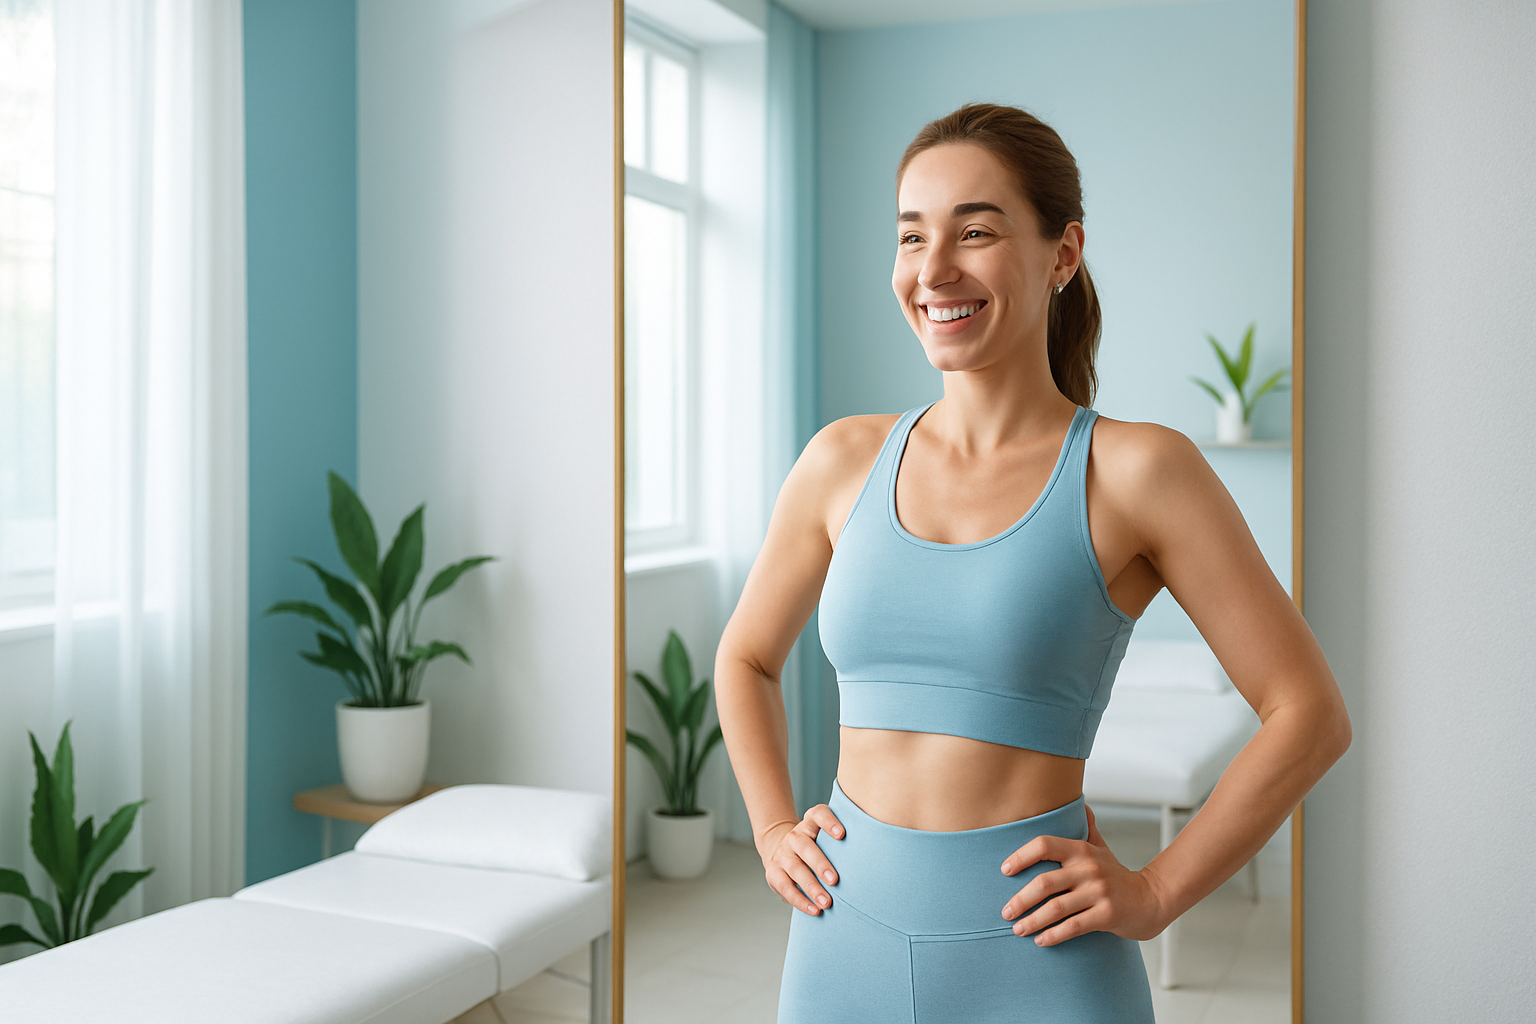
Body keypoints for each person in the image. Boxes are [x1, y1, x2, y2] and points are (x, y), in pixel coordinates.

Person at [713, 102, 1351, 1023]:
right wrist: (774, 828)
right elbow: (745, 658)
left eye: (974, 231)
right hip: (839, 943)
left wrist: (1159, 890)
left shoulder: (1138, 470)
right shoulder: (839, 461)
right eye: (910, 236)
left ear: (1063, 253)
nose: (933, 271)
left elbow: (1309, 714)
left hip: (1040, 963)